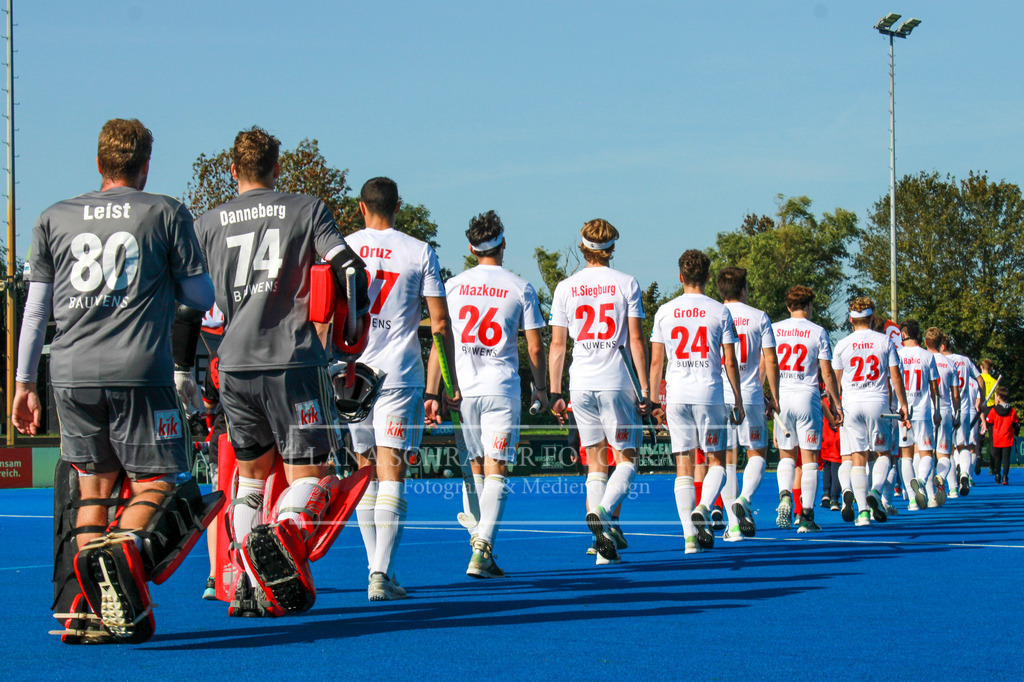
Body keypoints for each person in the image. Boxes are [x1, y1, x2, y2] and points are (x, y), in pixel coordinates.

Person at [13, 119, 216, 644]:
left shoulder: (53, 216)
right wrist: (159, 290)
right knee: (158, 482)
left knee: (92, 489)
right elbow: (201, 296)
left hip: (69, 372)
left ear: (99, 163)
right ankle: (119, 560)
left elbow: (35, 313)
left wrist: (23, 384)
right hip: (138, 370)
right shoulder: (164, 210)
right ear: (145, 165)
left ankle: (89, 612)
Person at [194, 127, 371, 616]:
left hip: (231, 363)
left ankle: (249, 585)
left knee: (248, 480)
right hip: (292, 360)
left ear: (233, 170)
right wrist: (347, 340)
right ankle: (283, 535)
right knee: (312, 476)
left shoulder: (207, 222)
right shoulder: (305, 207)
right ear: (277, 168)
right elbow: (351, 272)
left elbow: (190, 299)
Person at [346, 176, 460, 599]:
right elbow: (441, 324)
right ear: (398, 206)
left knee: (363, 468)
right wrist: (445, 385)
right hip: (398, 373)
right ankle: (381, 573)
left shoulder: (342, 246)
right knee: (393, 467)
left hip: (350, 374)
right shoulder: (418, 251)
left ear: (362, 207)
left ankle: (375, 569)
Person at [434, 210, 547, 578]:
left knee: (476, 467)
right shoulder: (520, 286)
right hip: (501, 388)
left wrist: (434, 392)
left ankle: (481, 543)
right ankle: (482, 547)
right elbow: (534, 348)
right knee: (497, 467)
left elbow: (441, 340)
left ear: (470, 247)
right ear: (503, 244)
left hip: (463, 393)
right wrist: (542, 389)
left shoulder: (451, 287)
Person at [549, 219, 650, 565]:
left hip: (581, 381)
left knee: (595, 462)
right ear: (612, 249)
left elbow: (558, 345)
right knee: (627, 458)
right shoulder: (626, 283)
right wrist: (646, 387)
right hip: (615, 381)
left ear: (582, 248)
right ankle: (605, 513)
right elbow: (635, 340)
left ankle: (601, 543)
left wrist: (554, 390)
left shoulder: (565, 287)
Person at [649, 249, 743, 553]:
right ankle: (704, 505)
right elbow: (730, 361)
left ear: (681, 277)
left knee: (683, 465)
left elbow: (655, 363)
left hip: (676, 395)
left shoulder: (664, 310)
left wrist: (654, 401)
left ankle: (689, 537)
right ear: (706, 277)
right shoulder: (720, 311)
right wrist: (738, 398)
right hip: (709, 393)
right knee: (717, 461)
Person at [714, 267, 780, 541]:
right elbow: (771, 360)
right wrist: (773, 397)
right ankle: (745, 499)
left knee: (726, 460)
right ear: (743, 290)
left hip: (718, 394)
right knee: (757, 455)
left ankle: (733, 525)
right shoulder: (759, 316)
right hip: (750, 393)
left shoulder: (712, 313)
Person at [831, 298, 909, 527]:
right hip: (878, 403)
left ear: (850, 320)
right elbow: (895, 377)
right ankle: (874, 492)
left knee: (857, 458)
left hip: (852, 404)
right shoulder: (884, 341)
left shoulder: (842, 344)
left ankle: (863, 512)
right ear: (873, 318)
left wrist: (836, 408)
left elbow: (834, 383)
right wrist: (903, 405)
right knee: (883, 454)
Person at [770, 286, 842, 531]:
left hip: (783, 396)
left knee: (786, 456)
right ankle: (807, 517)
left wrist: (767, 398)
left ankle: (785, 496)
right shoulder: (818, 331)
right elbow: (827, 373)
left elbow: (766, 365)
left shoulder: (775, 329)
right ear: (810, 306)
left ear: (788, 306)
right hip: (807, 396)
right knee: (810, 460)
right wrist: (837, 403)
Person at [897, 320, 942, 511]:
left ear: (903, 334)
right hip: (922, 410)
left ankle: (912, 500)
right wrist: (937, 410)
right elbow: (934, 387)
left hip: (901, 411)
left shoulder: (897, 354)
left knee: (906, 456)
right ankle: (922, 481)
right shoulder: (926, 356)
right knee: (926, 452)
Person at [942, 336, 982, 497]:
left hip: (948, 408)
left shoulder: (941, 361)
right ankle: (965, 473)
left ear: (942, 346)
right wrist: (982, 400)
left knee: (948, 450)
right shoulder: (965, 360)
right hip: (965, 409)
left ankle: (952, 488)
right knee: (963, 445)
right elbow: (980, 379)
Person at [925, 327, 960, 506]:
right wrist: (958, 412)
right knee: (944, 453)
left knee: (925, 453)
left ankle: (930, 496)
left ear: (926, 342)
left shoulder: (923, 359)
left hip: (926, 410)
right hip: (945, 409)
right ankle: (941, 476)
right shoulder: (949, 363)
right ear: (942, 344)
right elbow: (955, 394)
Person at [985, 386, 1019, 484]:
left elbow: (988, 422)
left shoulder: (994, 411)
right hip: (1007, 438)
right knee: (1006, 459)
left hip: (997, 438)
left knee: (997, 458)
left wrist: (984, 428)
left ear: (999, 397)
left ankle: (997, 475)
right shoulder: (1012, 411)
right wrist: (1016, 433)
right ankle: (1005, 476)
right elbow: (1016, 424)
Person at [979, 359, 998, 475]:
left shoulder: (977, 378)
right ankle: (992, 467)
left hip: (981, 408)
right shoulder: (994, 381)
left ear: (981, 367)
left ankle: (977, 458)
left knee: (979, 438)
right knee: (992, 440)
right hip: (991, 410)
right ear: (991, 368)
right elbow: (996, 401)